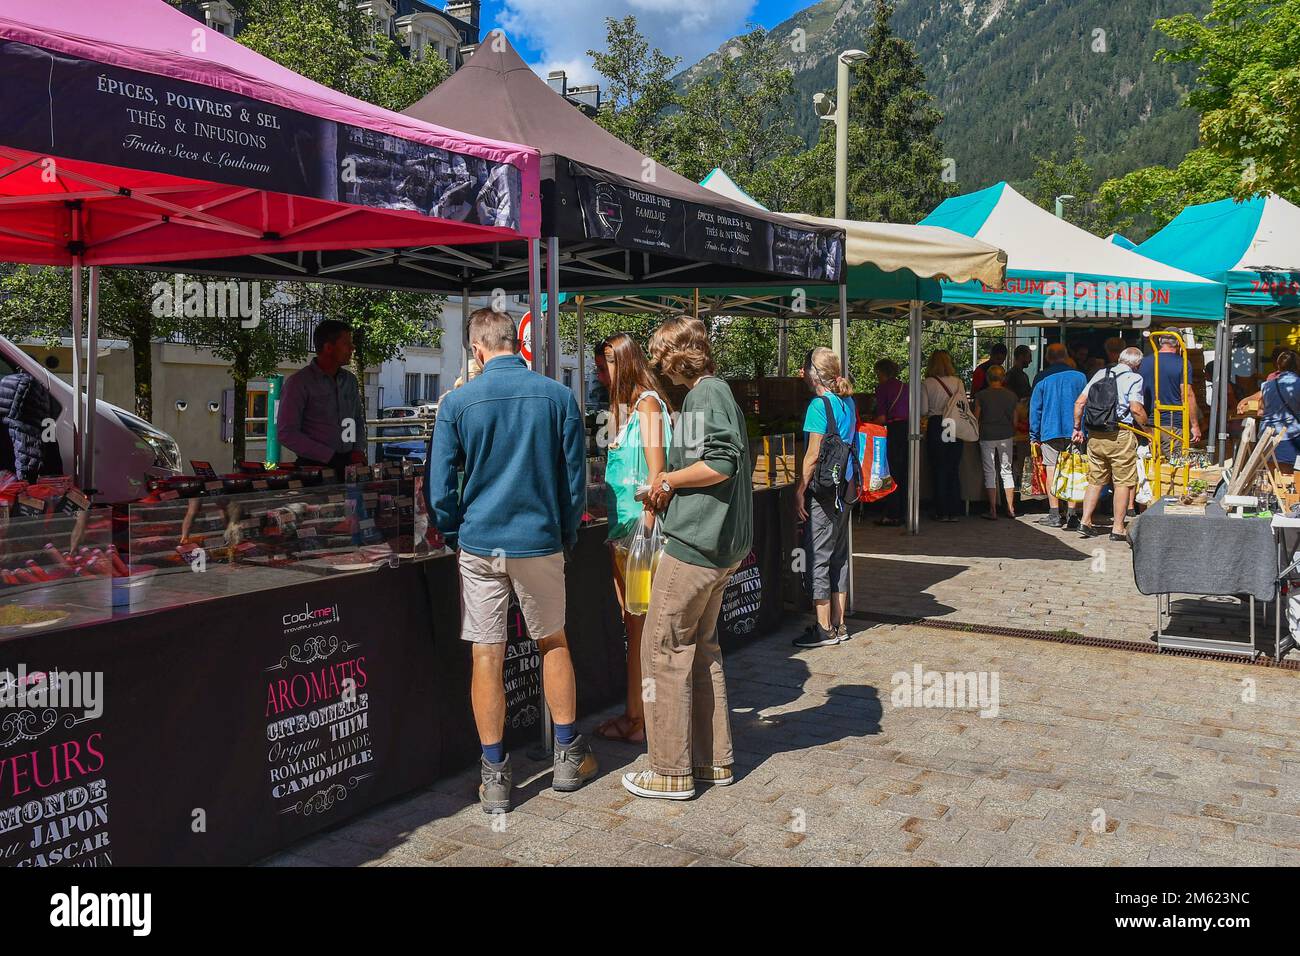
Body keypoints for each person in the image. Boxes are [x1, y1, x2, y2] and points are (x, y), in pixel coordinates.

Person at [425, 308, 594, 814]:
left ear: (477, 350)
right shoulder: (558, 397)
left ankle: (495, 772)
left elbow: (440, 489)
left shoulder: (457, 403)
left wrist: (456, 530)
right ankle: (566, 753)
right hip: (539, 538)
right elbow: (574, 480)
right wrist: (564, 533)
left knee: (486, 653)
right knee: (553, 640)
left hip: (481, 541)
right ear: (513, 343)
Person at [623, 316, 751, 801]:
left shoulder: (705, 394)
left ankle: (670, 770)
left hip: (696, 548)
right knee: (701, 648)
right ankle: (711, 760)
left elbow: (720, 463)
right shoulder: (716, 391)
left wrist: (665, 482)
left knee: (662, 650)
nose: (656, 365)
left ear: (676, 356)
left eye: (659, 356)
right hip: (718, 547)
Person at [595, 334, 670, 744]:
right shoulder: (628, 408)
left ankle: (639, 720)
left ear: (620, 363)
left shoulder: (647, 407)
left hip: (642, 539)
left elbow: (659, 475)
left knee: (640, 628)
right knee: (633, 625)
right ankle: (637, 715)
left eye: (603, 367)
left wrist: (645, 521)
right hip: (624, 536)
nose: (599, 376)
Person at [792, 347, 858, 648]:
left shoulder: (818, 406)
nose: (803, 373)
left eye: (806, 368)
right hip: (844, 488)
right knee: (840, 556)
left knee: (818, 555)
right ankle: (840, 623)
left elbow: (812, 454)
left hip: (822, 491)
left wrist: (800, 490)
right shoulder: (849, 403)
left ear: (814, 373)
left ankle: (822, 628)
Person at [1073, 346, 1148, 540]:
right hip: (1120, 435)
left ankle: (1085, 520)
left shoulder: (1101, 373)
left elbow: (1080, 402)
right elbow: (1136, 409)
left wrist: (1077, 427)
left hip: (1095, 435)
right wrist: (1147, 430)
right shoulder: (1134, 378)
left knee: (1095, 480)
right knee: (1122, 482)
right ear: (1137, 364)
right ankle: (1117, 528)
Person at [277, 320, 367, 473]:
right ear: (328, 347)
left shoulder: (349, 381)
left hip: (348, 464)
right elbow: (287, 433)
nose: (352, 348)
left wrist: (356, 451)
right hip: (313, 467)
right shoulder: (299, 383)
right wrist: (329, 456)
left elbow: (354, 420)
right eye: (346, 343)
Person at [1029, 343, 1087, 528]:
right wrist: (1082, 429)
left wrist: (1034, 435)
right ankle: (1072, 514)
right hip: (1074, 431)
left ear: (1047, 358)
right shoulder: (1080, 377)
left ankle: (1054, 514)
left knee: (1051, 470)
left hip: (1049, 430)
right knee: (1074, 472)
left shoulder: (1041, 378)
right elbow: (1085, 405)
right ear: (1066, 355)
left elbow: (1035, 409)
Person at [919, 350, 965, 523]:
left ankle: (941, 510)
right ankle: (954, 510)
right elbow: (963, 405)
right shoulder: (958, 382)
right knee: (953, 467)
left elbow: (923, 409)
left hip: (937, 423)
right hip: (954, 423)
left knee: (939, 467)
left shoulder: (927, 383)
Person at [1138, 334, 1202, 456]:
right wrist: (1194, 425)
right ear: (1178, 343)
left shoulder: (1144, 362)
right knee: (1176, 467)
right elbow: (1187, 394)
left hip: (1148, 423)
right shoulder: (1182, 362)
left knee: (1153, 465)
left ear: (1160, 342)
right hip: (1173, 424)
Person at [973, 365, 1018, 519]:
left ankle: (992, 509)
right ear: (1003, 378)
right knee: (1007, 470)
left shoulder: (981, 395)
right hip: (1006, 435)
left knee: (989, 471)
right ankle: (1011, 508)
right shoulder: (1011, 396)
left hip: (986, 435)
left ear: (987, 378)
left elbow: (976, 418)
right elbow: (1015, 419)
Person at [871, 358, 908, 527]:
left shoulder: (882, 388)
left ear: (881, 372)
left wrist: (867, 424)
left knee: (891, 472)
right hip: (908, 430)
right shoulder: (905, 386)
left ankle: (892, 513)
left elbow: (881, 417)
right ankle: (904, 511)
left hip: (893, 431)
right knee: (904, 473)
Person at [1261, 350, 1300, 473]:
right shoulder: (1297, 383)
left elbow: (1261, 409)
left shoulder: (1266, 385)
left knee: (1271, 473)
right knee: (1291, 474)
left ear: (1278, 366)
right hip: (1290, 435)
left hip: (1266, 436)